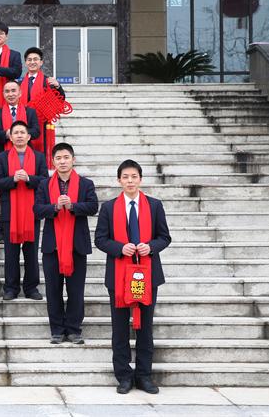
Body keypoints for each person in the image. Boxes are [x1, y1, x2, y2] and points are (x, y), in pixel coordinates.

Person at [95, 159, 171, 395]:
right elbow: (100, 239)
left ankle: (144, 376)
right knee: (119, 329)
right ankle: (124, 377)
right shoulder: (109, 208)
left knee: (145, 329)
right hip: (119, 276)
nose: (130, 181)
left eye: (134, 176)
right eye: (125, 177)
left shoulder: (155, 205)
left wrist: (151, 247)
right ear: (119, 180)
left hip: (146, 275)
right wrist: (120, 248)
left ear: (140, 179)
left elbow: (164, 237)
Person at [34, 143, 98, 345]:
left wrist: (72, 206)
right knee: (53, 291)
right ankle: (57, 330)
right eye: (58, 158)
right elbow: (37, 209)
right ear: (52, 161)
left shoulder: (86, 184)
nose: (62, 161)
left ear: (73, 160)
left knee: (75, 291)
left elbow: (93, 206)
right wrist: (55, 207)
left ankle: (74, 330)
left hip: (76, 245)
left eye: (66, 157)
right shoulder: (44, 184)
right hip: (52, 246)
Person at [0, 120, 48, 300]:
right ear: (10, 137)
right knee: (11, 253)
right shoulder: (1, 157)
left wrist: (29, 178)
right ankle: (11, 288)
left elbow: (45, 181)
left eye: (22, 133)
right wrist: (13, 179)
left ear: (29, 136)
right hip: (10, 212)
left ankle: (31, 288)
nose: (19, 136)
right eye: (15, 133)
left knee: (31, 252)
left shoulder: (39, 157)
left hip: (32, 211)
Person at [21, 47, 65, 166]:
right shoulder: (19, 83)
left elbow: (60, 100)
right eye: (29, 59)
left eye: (35, 59)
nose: (32, 62)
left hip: (43, 124)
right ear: (25, 63)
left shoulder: (48, 82)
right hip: (25, 122)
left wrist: (58, 86)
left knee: (42, 152)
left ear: (41, 62)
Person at [0, 80, 40, 181]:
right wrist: (6, 134)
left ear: (20, 93)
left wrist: (21, 134)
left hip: (26, 154)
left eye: (13, 91)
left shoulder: (30, 112)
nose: (10, 94)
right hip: (3, 154)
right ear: (3, 94)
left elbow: (36, 131)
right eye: (7, 91)